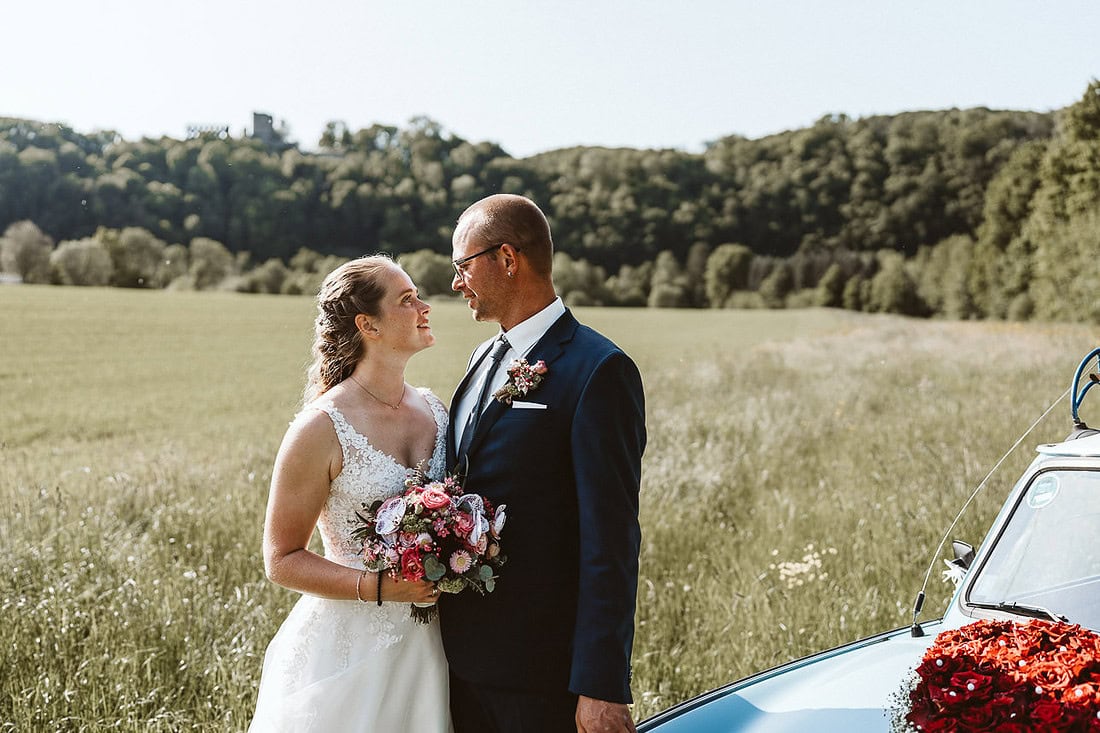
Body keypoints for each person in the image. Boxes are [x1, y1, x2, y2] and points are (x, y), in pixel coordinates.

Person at [441, 194, 647, 733]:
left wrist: (601, 685)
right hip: (458, 665)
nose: (457, 283)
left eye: (464, 265)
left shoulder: (598, 369)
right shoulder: (481, 358)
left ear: (508, 259)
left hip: (544, 674)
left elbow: (612, 538)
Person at [249, 256, 452, 732]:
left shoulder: (436, 410)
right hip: (351, 652)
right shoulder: (321, 427)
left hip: (437, 647)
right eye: (407, 300)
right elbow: (281, 559)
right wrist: (382, 588)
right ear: (368, 324)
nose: (425, 307)